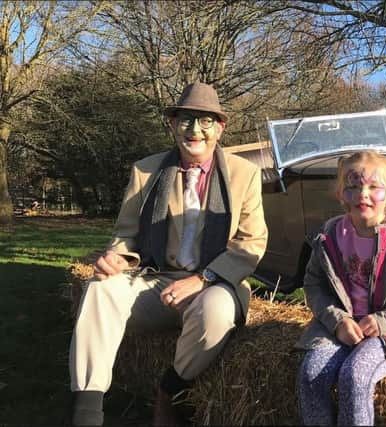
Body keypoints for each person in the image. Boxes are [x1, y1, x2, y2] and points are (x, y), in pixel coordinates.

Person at [68, 82, 268, 426]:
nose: (195, 130)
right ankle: (87, 412)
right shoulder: (145, 171)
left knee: (216, 312)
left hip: (214, 283)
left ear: (220, 128)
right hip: (156, 279)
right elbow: (126, 234)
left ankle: (170, 390)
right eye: (186, 120)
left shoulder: (244, 175)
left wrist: (203, 279)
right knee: (100, 290)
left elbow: (252, 242)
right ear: (172, 125)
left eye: (205, 121)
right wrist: (118, 258)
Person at [295, 151, 386, 426]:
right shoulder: (329, 237)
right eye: (352, 187)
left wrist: (385, 321)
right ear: (340, 194)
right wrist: (337, 321)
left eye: (374, 186)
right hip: (342, 328)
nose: (363, 193)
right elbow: (313, 284)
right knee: (311, 373)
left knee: (355, 374)